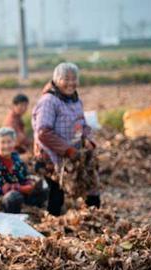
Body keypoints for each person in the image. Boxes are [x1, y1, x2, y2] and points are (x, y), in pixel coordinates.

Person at [32, 62, 100, 216]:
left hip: (74, 153)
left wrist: (89, 139)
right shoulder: (49, 101)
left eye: (74, 79)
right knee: (56, 194)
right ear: (56, 80)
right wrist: (67, 150)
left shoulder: (75, 100)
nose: (70, 83)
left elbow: (82, 124)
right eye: (66, 79)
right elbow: (43, 132)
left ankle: (96, 219)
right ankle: (53, 230)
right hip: (51, 156)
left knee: (91, 187)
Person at [0, 127, 47, 214]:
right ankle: (12, 220)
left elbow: (24, 176)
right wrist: (21, 188)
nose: (6, 146)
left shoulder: (16, 159)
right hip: (0, 198)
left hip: (19, 193)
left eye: (9, 142)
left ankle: (36, 215)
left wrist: (29, 184)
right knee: (13, 197)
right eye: (3, 142)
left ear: (14, 143)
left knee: (43, 189)